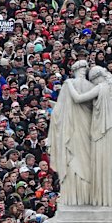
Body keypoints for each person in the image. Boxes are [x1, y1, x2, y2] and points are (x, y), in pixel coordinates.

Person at [66, 66, 112, 207]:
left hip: (104, 131)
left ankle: (104, 198)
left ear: (96, 77)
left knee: (103, 164)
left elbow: (78, 99)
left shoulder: (101, 87)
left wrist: (69, 84)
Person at [48, 60, 94, 206]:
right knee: (84, 158)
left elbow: (58, 111)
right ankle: (84, 193)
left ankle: (75, 194)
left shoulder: (69, 85)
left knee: (75, 157)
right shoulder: (91, 86)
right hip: (85, 126)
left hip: (74, 127)